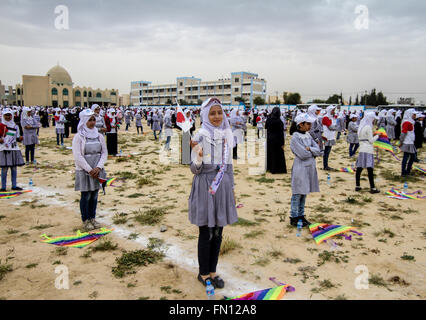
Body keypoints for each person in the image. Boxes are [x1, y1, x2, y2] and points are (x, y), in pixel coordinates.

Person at [188, 97, 238, 289]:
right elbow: (193, 169)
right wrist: (199, 157)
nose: (217, 116)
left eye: (219, 112)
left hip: (223, 186)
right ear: (205, 115)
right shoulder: (199, 136)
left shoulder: (226, 134)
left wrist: (232, 188)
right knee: (206, 231)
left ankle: (213, 271)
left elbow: (229, 166)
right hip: (205, 186)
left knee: (218, 231)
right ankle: (203, 273)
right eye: (212, 113)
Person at [72, 109, 108, 231]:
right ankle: (85, 220)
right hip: (84, 170)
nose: (92, 122)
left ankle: (92, 218)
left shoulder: (99, 135)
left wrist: (98, 167)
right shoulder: (79, 137)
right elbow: (78, 156)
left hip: (97, 169)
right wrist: (89, 169)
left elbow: (104, 152)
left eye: (93, 119)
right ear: (84, 121)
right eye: (90, 120)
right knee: (86, 195)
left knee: (94, 195)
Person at [289, 113, 322, 227]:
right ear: (300, 124)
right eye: (308, 124)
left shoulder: (308, 135)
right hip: (300, 167)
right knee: (298, 193)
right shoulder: (295, 137)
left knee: (304, 193)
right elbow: (302, 154)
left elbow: (319, 150)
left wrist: (310, 149)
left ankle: (301, 216)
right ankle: (294, 217)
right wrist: (311, 151)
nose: (310, 126)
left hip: (309, 167)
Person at [0, 108, 25, 191]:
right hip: (4, 149)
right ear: (3, 116)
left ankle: (14, 185)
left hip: (14, 149)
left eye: (9, 115)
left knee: (14, 168)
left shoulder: (15, 126)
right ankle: (3, 187)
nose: (8, 117)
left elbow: (17, 137)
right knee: (4, 169)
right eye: (6, 115)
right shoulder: (1, 125)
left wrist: (20, 138)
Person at [355, 111, 380, 193]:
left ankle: (357, 185)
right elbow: (371, 140)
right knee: (370, 169)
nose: (373, 121)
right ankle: (372, 188)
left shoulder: (361, 127)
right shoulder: (368, 127)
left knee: (359, 168)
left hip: (362, 149)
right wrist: (378, 136)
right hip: (368, 149)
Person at [265, 107, 287, 174]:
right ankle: (277, 169)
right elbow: (281, 133)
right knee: (277, 154)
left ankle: (270, 167)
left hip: (269, 139)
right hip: (277, 140)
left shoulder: (268, 120)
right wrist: (283, 143)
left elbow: (265, 128)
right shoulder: (279, 121)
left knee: (270, 153)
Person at [400, 109, 417, 176]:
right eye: (414, 114)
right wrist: (401, 141)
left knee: (411, 157)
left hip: (410, 142)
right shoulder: (407, 122)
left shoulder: (411, 122)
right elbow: (403, 133)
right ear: (410, 114)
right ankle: (404, 172)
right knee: (407, 157)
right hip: (407, 142)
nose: (415, 116)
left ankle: (407, 171)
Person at [321, 105, 337, 170]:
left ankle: (326, 165)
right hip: (326, 137)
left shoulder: (330, 117)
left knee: (327, 152)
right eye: (333, 110)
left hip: (330, 136)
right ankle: (325, 166)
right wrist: (336, 127)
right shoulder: (325, 117)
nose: (334, 111)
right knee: (326, 152)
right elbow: (330, 127)